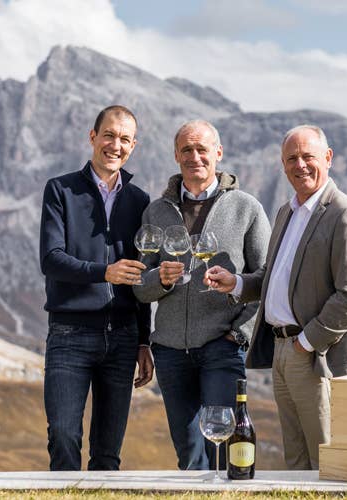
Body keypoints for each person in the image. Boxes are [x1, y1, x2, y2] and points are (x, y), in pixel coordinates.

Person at [205, 124, 347, 470]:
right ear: (283, 165)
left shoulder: (344, 214)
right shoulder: (287, 211)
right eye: (291, 158)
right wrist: (236, 283)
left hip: (315, 356)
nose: (301, 165)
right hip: (281, 351)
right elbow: (274, 277)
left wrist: (307, 342)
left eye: (308, 157)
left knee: (326, 460)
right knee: (295, 460)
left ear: (328, 158)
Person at [133, 120, 270, 470]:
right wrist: (159, 280)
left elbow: (267, 278)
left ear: (218, 154)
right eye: (187, 150)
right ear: (177, 156)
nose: (195, 156)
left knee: (224, 451)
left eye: (202, 149)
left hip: (221, 348)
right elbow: (139, 284)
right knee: (189, 454)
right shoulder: (156, 211)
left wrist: (238, 334)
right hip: (171, 352)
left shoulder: (246, 208)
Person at [39, 105, 154, 471]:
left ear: (133, 146)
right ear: (93, 137)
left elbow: (141, 275)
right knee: (63, 435)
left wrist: (143, 341)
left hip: (121, 338)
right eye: (108, 135)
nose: (114, 145)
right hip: (69, 333)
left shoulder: (140, 201)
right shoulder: (60, 190)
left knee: (107, 452)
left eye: (124, 139)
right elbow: (51, 259)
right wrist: (105, 272)